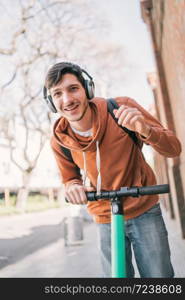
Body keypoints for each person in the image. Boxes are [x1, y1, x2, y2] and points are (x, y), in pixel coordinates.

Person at [43, 61, 181, 278]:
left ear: (87, 89)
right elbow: (70, 178)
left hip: (144, 210)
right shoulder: (60, 140)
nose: (67, 100)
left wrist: (145, 130)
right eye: (57, 93)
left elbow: (174, 149)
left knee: (159, 279)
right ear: (51, 102)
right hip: (105, 217)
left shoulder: (120, 109)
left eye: (73, 89)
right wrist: (72, 186)